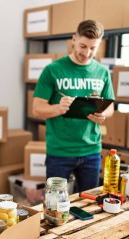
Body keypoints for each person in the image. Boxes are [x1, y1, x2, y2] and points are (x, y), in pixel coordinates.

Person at [32, 20, 115, 192]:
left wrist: (103, 114)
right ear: (74, 39)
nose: (87, 53)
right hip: (59, 151)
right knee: (54, 205)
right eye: (83, 46)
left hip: (91, 150)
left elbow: (110, 107)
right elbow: (37, 109)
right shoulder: (52, 70)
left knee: (88, 205)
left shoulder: (103, 72)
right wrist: (58, 108)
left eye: (93, 48)